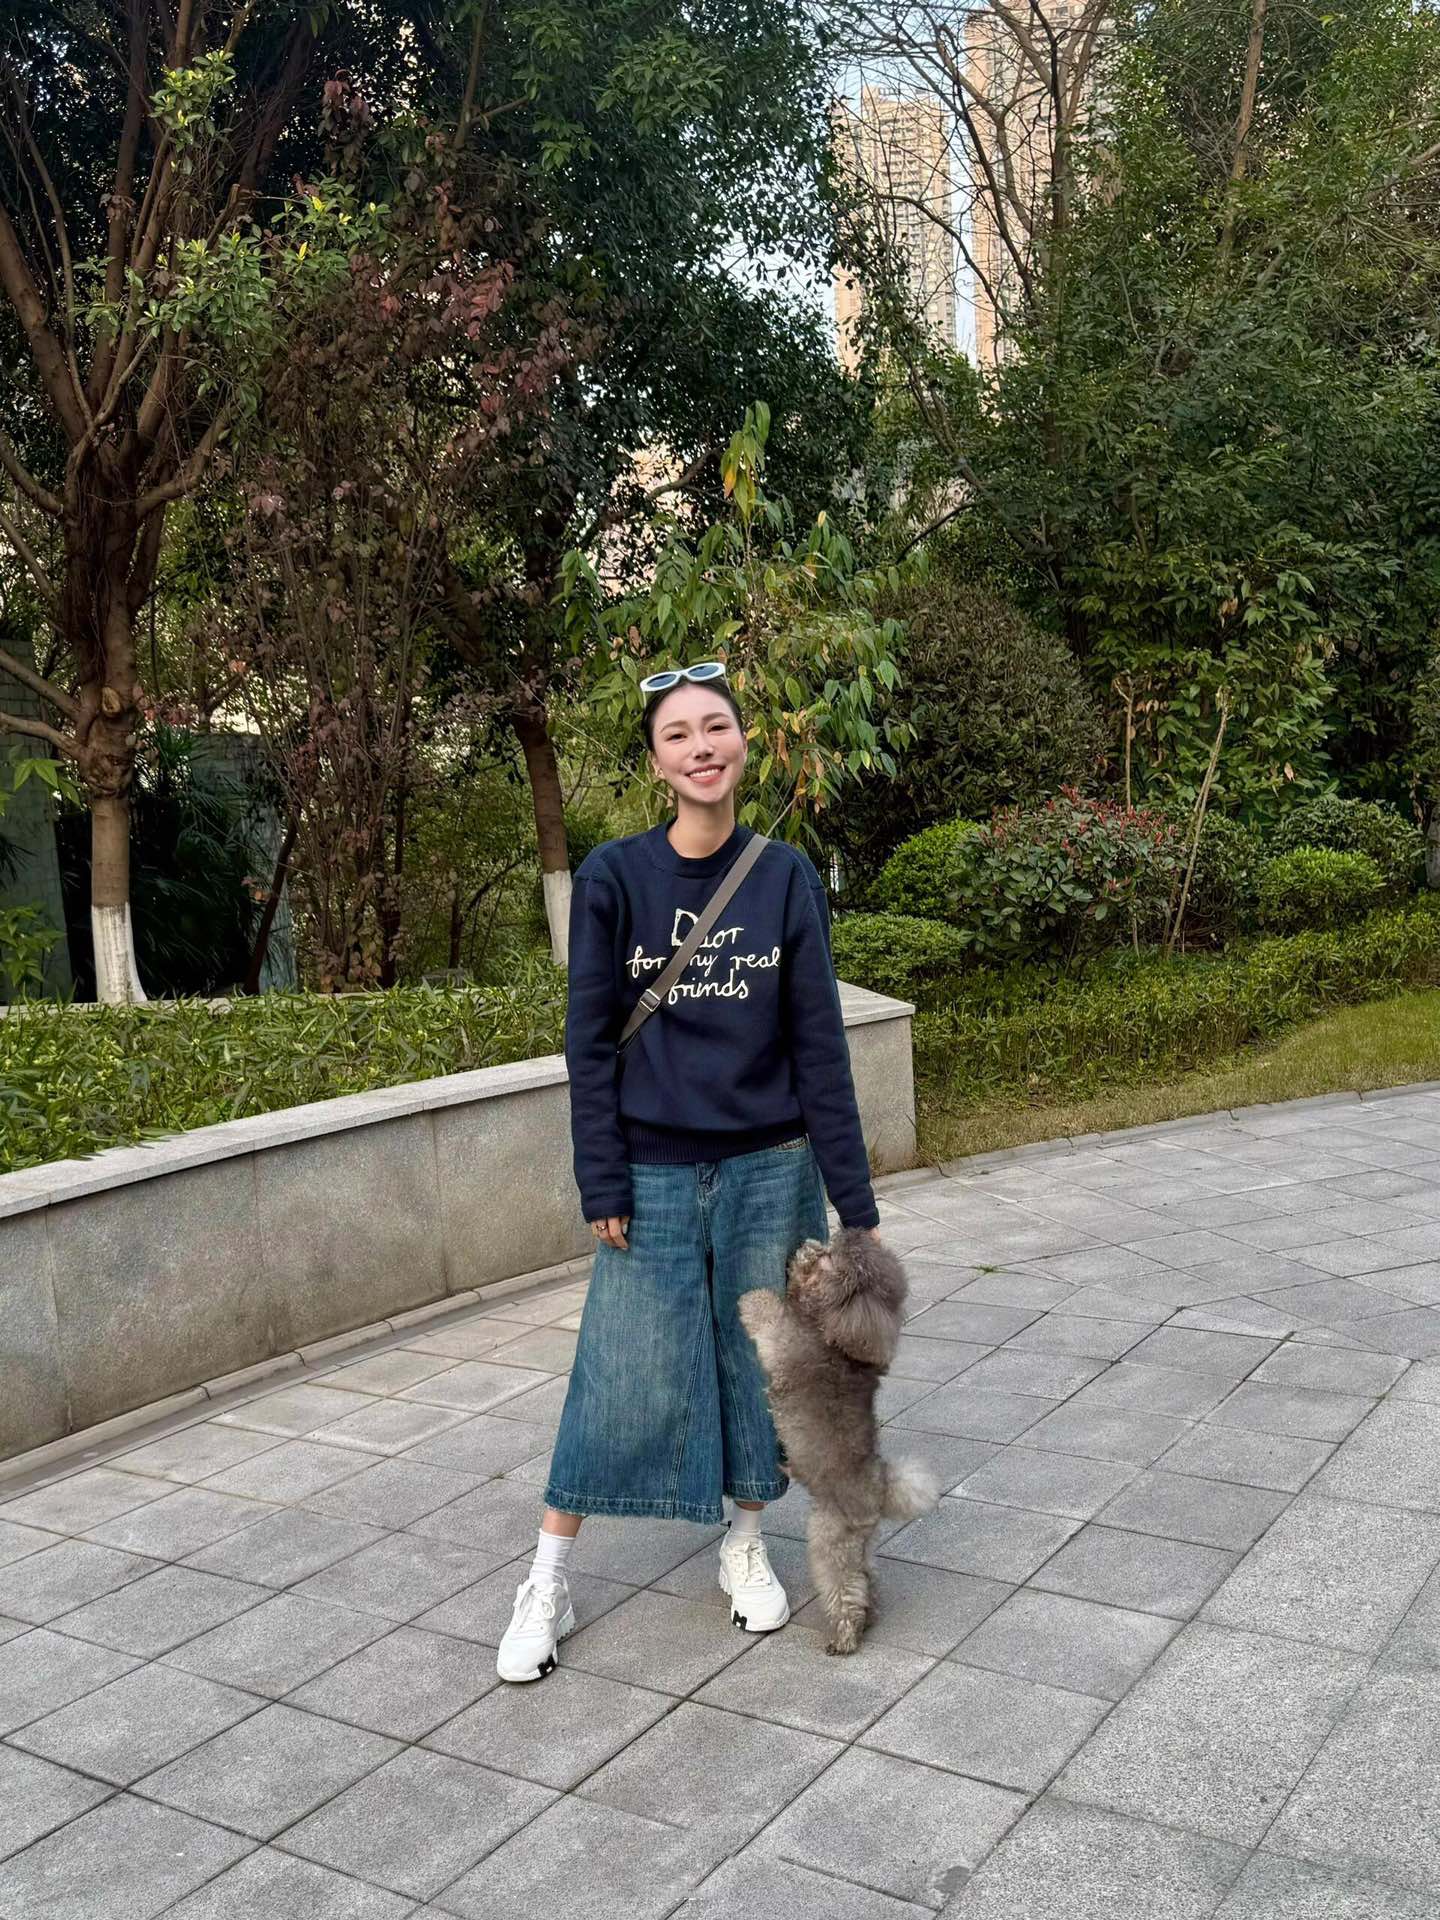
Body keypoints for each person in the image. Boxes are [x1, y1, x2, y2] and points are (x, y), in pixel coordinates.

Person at [496, 659, 883, 1683]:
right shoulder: (615, 877)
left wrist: (855, 1207)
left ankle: (744, 1545)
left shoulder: (784, 877)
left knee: (765, 1370)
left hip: (770, 1166)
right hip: (654, 1174)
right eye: (678, 734)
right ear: (658, 761)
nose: (701, 747)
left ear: (744, 743)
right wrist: (603, 1178)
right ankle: (547, 1579)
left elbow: (819, 1048)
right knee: (616, 1373)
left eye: (716, 727)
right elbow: (589, 1043)